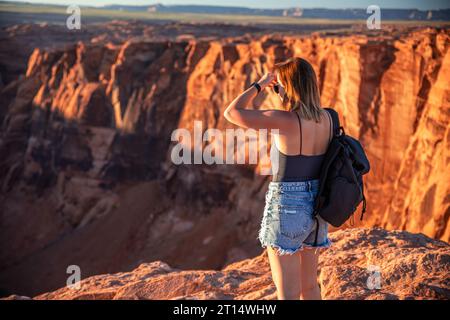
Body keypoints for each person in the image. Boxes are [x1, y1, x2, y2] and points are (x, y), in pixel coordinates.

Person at [224, 57, 332, 300]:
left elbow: (231, 112)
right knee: (310, 288)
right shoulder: (328, 119)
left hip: (288, 207)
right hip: (318, 207)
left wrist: (260, 85)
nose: (277, 90)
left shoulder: (283, 121)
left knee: (288, 294)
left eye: (279, 86)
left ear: (289, 87)